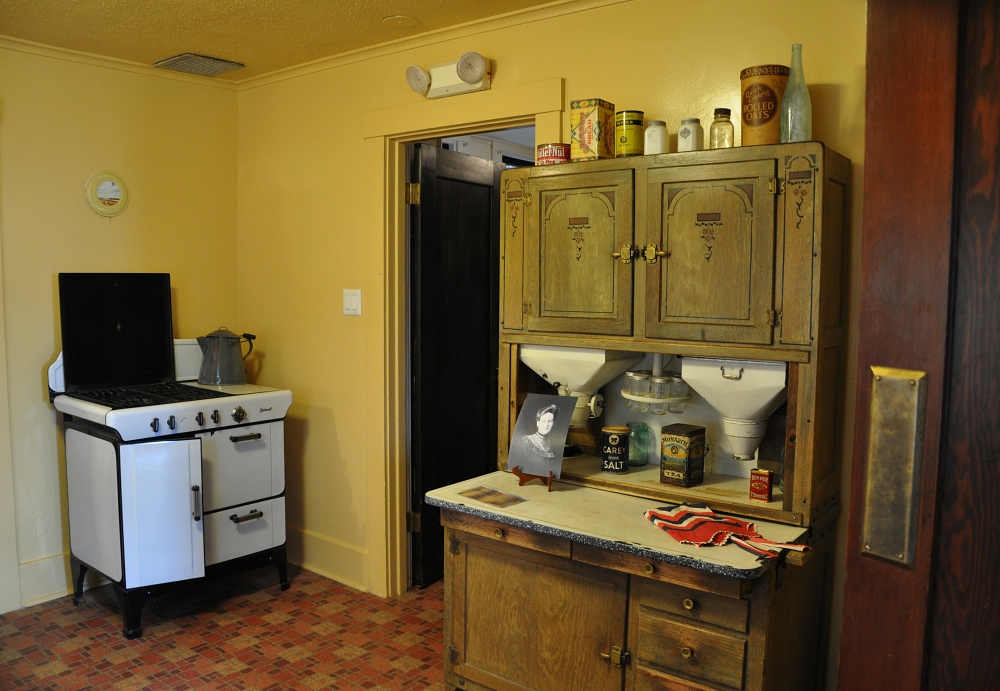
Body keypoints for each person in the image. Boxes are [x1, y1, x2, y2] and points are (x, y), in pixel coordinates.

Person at [521, 403, 559, 472]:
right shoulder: (527, 441)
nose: (547, 425)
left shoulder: (552, 443)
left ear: (553, 424)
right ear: (538, 423)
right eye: (544, 421)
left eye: (550, 421)